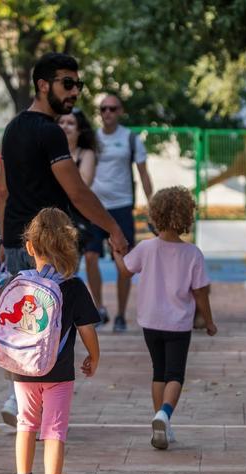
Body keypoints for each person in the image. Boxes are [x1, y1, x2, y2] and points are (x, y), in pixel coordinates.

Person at [0, 52, 128, 427]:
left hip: (17, 244)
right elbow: (78, 193)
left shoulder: (13, 128)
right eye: (67, 84)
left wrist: (5, 241)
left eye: (77, 85)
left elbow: (6, 192)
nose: (74, 92)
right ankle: (31, 406)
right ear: (43, 85)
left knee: (25, 326)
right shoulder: (49, 132)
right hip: (46, 248)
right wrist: (114, 230)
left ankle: (19, 399)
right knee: (53, 328)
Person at [1, 208, 101, 474]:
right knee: (55, 430)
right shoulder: (74, 286)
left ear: (29, 246)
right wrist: (94, 357)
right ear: (67, 245)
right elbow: (87, 330)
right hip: (60, 371)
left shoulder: (18, 281)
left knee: (26, 423)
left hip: (23, 370)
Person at [113, 186, 217, 451]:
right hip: (178, 324)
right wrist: (209, 321)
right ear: (186, 216)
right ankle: (165, 415)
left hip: (150, 322)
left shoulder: (146, 248)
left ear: (154, 215)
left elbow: (125, 271)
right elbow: (200, 293)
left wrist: (117, 252)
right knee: (175, 374)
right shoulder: (193, 254)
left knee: (158, 371)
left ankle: (162, 425)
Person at [87, 94, 154, 332]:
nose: (107, 113)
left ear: (120, 111)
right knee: (90, 257)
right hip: (94, 206)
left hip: (122, 206)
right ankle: (99, 309)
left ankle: (121, 315)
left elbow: (144, 174)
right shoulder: (91, 139)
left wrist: (151, 205)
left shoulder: (131, 138)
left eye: (112, 109)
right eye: (103, 108)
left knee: (124, 263)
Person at [57, 109, 97, 186]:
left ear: (80, 130)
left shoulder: (87, 154)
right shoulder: (47, 149)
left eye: (70, 123)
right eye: (61, 122)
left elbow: (84, 184)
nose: (64, 126)